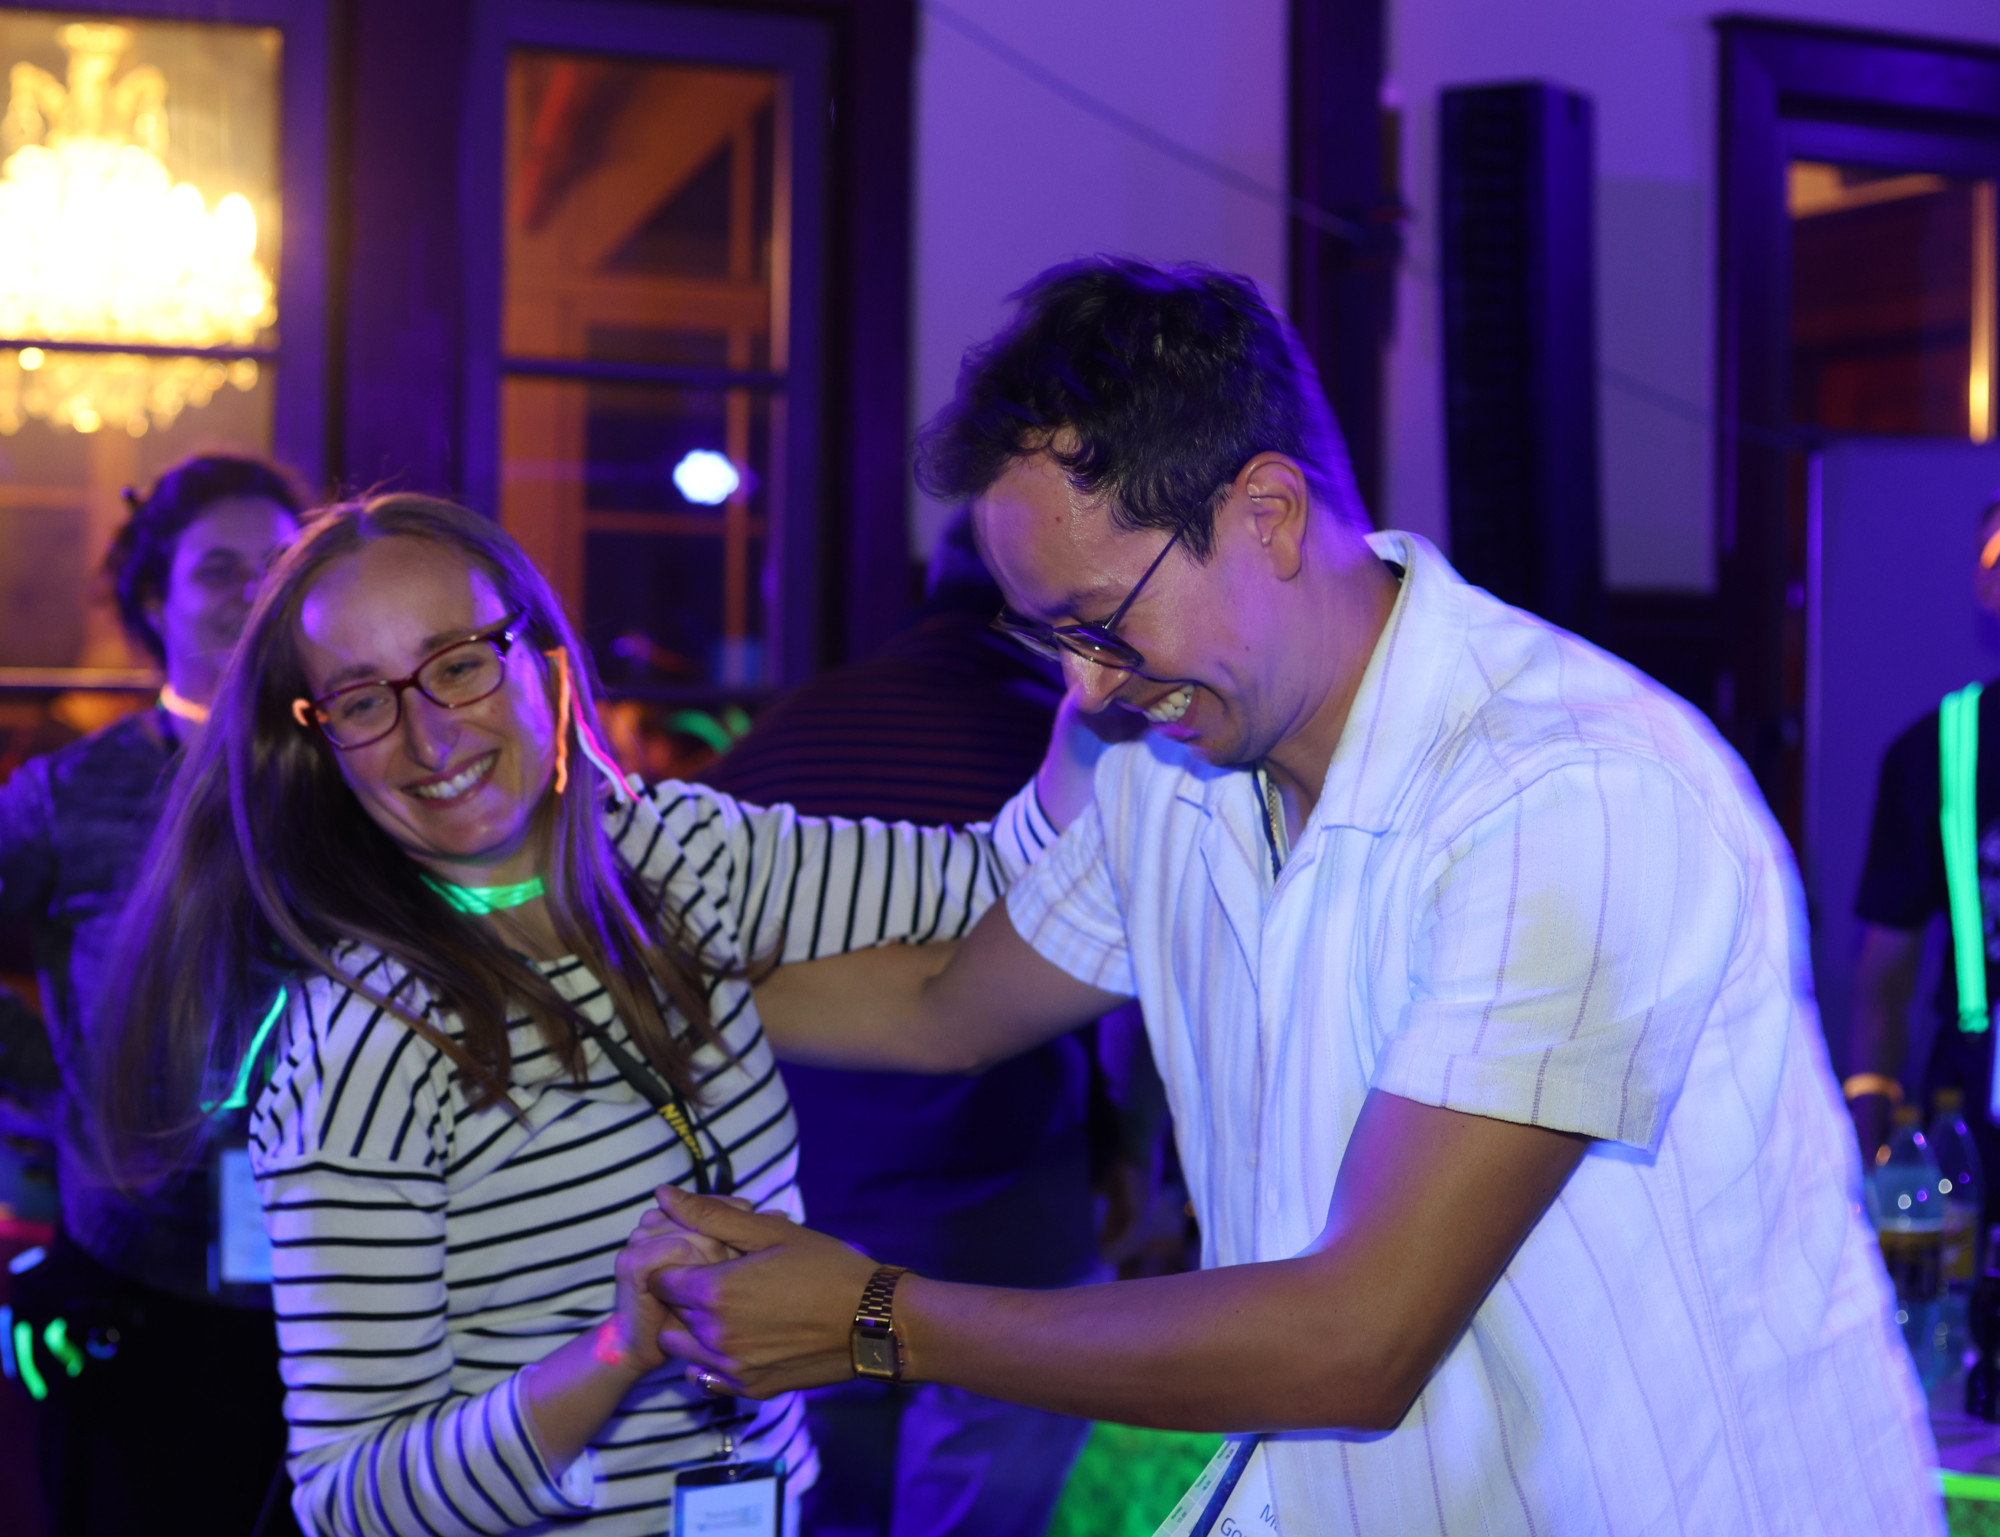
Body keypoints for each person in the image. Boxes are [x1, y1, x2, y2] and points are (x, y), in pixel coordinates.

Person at [640, 258, 1941, 1535]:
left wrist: (878, 1320)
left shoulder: (1571, 792)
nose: (1085, 691)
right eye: (1053, 639)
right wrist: (595, 985)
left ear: (1267, 512)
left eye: (1102, 622)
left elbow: (1354, 1341)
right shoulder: (1171, 763)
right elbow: (943, 1002)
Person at [92, 494, 1073, 1537]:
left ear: (546, 668)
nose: (429, 735)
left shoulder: (676, 853)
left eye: (459, 663)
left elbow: (998, 873)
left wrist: (1100, 680)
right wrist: (615, 1350)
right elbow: (352, 1496)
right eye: (364, 700)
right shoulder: (366, 1046)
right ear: (324, 745)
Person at [701, 511, 1138, 1537]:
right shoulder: (1078, 750)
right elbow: (1125, 993)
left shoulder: (785, 731)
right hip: (1003, 1225)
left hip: (810, 1212)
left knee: (825, 1511)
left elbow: (708, 962)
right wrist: (1134, 1157)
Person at [0, 455, 304, 1536]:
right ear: (153, 597)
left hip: (352, 1288)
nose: (252, 591)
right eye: (219, 568)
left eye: (278, 566)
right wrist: (54, 1093)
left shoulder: (365, 772)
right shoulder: (70, 792)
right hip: (136, 1285)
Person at [1851, 493, 2000, 1185]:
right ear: (1984, 586)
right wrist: (1869, 1155)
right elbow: (1883, 986)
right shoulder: (1937, 752)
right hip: (1975, 1130)